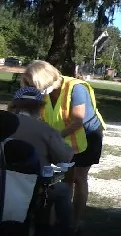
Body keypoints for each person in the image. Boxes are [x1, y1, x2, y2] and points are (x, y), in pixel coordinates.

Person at [21, 60, 106, 235]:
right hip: (60, 137)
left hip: (87, 137)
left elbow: (77, 121)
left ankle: (77, 221)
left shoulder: (76, 89)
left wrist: (51, 139)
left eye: (35, 85)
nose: (35, 90)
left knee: (79, 178)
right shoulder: (43, 92)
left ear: (45, 78)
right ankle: (60, 219)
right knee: (63, 178)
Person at [7, 87, 75, 235]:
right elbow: (64, 157)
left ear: (15, 104)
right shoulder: (45, 130)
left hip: (3, 182)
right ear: (39, 107)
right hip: (33, 186)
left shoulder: (5, 124)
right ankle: (66, 229)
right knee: (63, 190)